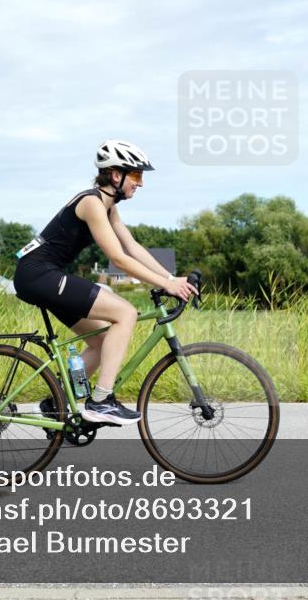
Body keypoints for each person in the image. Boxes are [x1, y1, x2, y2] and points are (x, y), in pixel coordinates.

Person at [13, 140, 198, 425]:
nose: (141, 183)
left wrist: (171, 279)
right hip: (37, 274)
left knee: (101, 341)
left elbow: (132, 247)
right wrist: (166, 284)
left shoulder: (109, 208)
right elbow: (118, 259)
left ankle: (55, 403)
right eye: (136, 175)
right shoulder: (91, 203)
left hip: (44, 275)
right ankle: (101, 401)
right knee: (126, 313)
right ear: (116, 175)